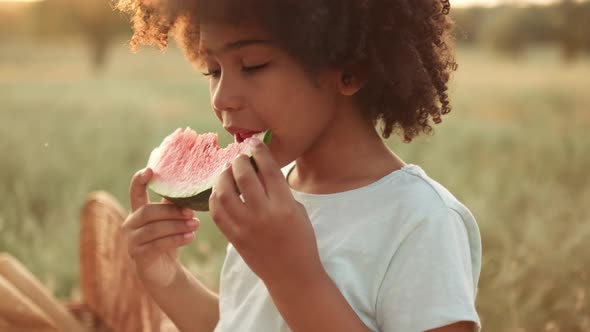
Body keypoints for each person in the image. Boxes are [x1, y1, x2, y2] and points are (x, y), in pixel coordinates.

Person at [119, 1, 482, 331]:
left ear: (350, 71)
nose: (221, 97)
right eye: (213, 70)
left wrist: (293, 277)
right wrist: (168, 281)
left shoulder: (422, 222)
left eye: (252, 66)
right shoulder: (269, 197)